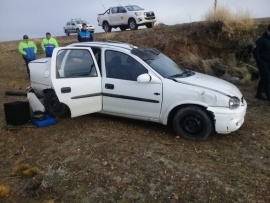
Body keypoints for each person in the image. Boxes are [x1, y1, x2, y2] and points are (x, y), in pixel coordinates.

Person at [253, 24, 270, 101]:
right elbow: (255, 51)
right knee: (267, 78)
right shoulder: (261, 40)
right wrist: (260, 61)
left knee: (264, 78)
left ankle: (259, 94)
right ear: (268, 31)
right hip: (263, 63)